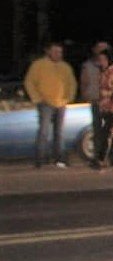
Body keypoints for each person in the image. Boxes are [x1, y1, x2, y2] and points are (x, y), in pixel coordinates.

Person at [23, 40, 78, 169]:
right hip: (45, 103)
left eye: (60, 52)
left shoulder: (65, 67)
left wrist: (68, 98)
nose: (58, 54)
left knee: (59, 132)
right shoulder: (38, 65)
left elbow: (72, 83)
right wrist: (37, 98)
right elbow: (29, 82)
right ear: (48, 52)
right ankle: (40, 160)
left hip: (61, 103)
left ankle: (60, 159)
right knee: (43, 131)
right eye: (55, 51)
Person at [80, 40, 111, 156]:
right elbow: (84, 82)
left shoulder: (112, 66)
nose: (102, 52)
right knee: (97, 130)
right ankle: (98, 156)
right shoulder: (88, 66)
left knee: (111, 130)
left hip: (110, 102)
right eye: (100, 49)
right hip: (96, 100)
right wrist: (84, 95)